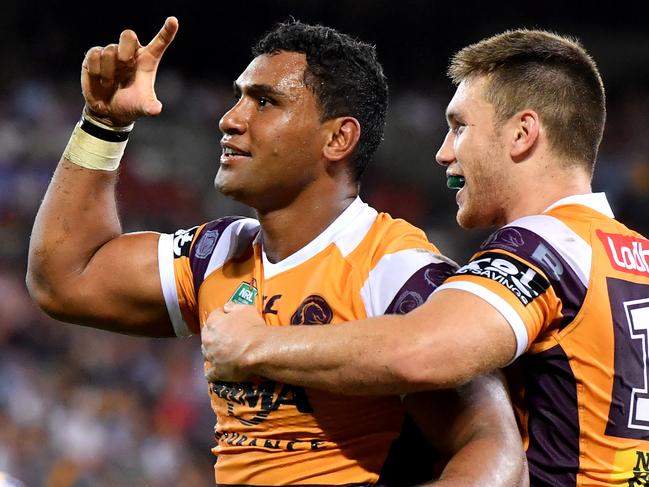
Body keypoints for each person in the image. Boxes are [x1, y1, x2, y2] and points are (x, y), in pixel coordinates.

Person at [26, 16, 526, 487]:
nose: (230, 119)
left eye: (263, 102)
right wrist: (103, 126)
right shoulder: (217, 254)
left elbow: (497, 456)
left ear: (338, 139)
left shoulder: (396, 273)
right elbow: (65, 279)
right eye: (238, 98)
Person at [201, 28, 649, 485]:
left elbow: (423, 351)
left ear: (522, 133)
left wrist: (254, 344)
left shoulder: (542, 247)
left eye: (459, 127)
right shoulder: (633, 254)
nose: (443, 152)